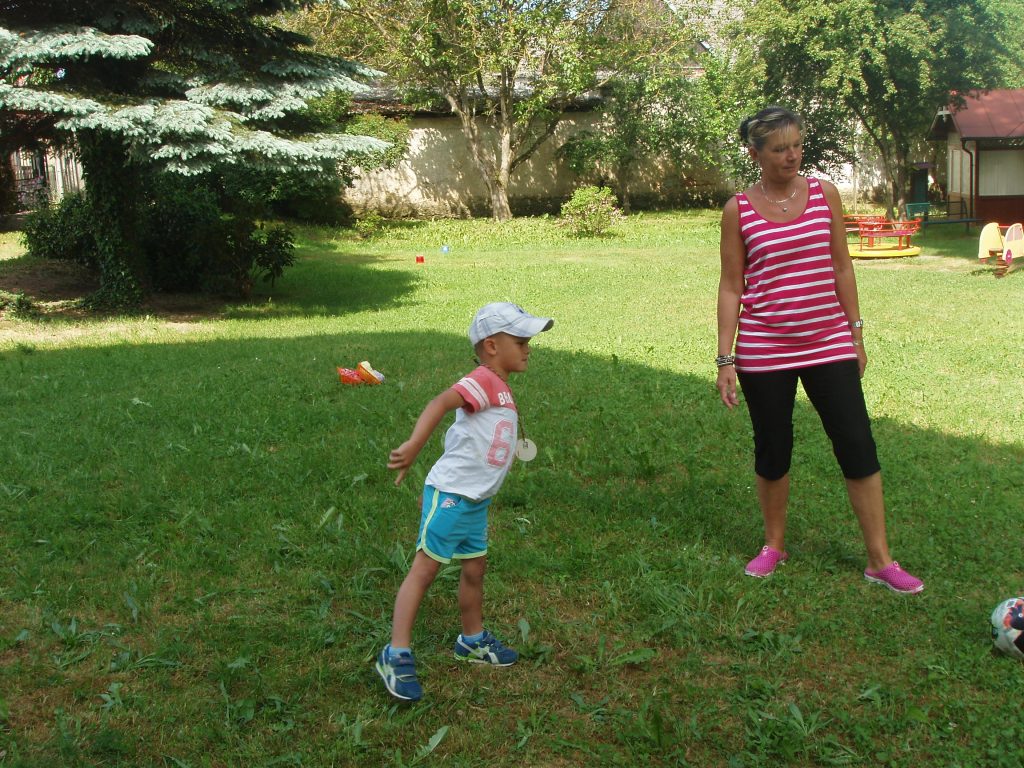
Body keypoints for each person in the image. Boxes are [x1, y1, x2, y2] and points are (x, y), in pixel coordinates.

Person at [715, 106, 923, 595]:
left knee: (857, 443)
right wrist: (725, 358)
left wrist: (856, 333)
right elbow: (731, 286)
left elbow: (842, 266)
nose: (792, 155)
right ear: (755, 154)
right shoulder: (738, 210)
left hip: (828, 341)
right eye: (779, 148)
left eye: (797, 145)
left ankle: (880, 560)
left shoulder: (824, 193)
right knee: (773, 447)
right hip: (764, 347)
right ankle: (774, 545)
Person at [375, 302, 554, 701]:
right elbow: (441, 403)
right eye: (521, 341)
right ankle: (395, 653)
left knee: (475, 569)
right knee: (425, 570)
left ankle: (471, 640)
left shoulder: (500, 387)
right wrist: (414, 445)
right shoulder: (483, 379)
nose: (528, 348)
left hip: (475, 502)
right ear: (491, 346)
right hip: (453, 496)